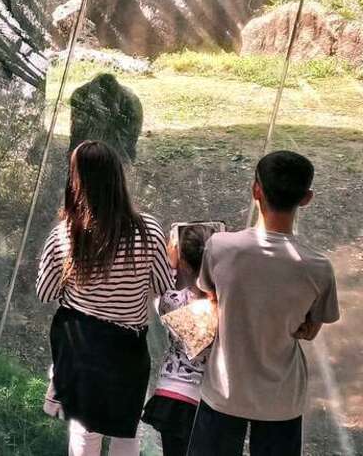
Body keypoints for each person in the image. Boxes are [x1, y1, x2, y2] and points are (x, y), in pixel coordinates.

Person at [187, 151, 340, 456]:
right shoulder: (318, 267)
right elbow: (309, 331)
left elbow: (209, 296)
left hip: (224, 391)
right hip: (282, 399)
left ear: (255, 189)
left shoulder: (220, 247)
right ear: (307, 198)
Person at [36, 140, 174, 456]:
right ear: (117, 178)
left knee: (85, 431)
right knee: (127, 431)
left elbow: (46, 293)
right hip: (127, 349)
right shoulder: (148, 230)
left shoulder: (65, 234)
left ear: (76, 182)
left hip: (80, 346)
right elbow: (163, 285)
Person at [141, 225, 213, 456]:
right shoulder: (221, 306)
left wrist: (170, 262)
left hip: (172, 393)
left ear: (181, 261)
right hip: (206, 399)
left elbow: (161, 285)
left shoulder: (171, 301)